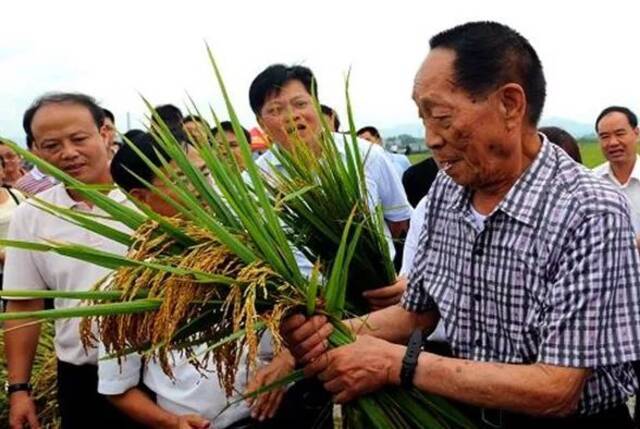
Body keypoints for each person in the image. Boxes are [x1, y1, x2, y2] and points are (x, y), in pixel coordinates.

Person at [282, 21, 640, 428]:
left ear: (509, 104)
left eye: (440, 116)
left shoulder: (590, 211)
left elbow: (556, 387)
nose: (431, 139)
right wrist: (333, 333)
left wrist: (396, 363)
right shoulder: (446, 195)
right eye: (422, 119)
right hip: (465, 411)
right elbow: (418, 313)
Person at [103, 131, 295, 428]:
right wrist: (170, 423)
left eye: (204, 173)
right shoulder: (133, 284)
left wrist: (288, 357)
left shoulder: (256, 244)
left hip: (288, 412)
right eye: (182, 179)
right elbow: (118, 388)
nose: (201, 188)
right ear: (141, 198)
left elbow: (304, 314)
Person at [3, 92, 141, 429]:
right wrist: (19, 389)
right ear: (34, 151)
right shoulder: (33, 216)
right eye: (51, 145)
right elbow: (24, 305)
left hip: (162, 374)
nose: (68, 153)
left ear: (104, 134)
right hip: (83, 380)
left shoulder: (147, 199)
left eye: (79, 138)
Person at [593, 106, 640, 232]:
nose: (613, 142)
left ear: (636, 134)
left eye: (620, 134)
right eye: (605, 136)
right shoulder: (592, 181)